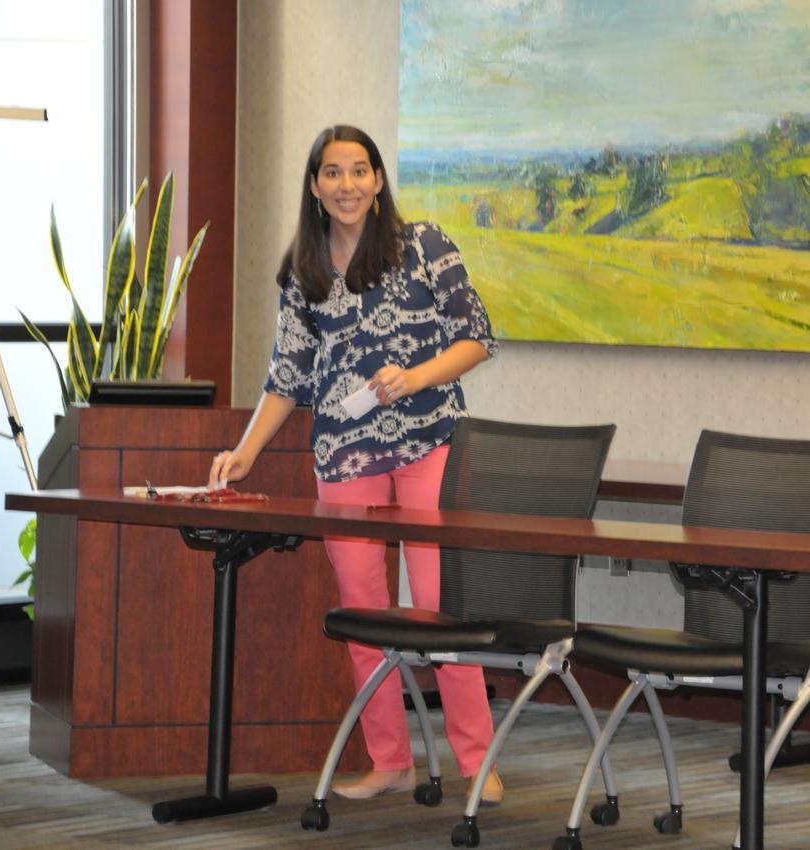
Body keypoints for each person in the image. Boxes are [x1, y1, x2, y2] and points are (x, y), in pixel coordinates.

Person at [208, 125, 501, 803]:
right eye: (333, 174)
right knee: (365, 613)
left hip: (431, 443)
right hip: (345, 455)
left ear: (377, 180)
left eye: (359, 171)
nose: (347, 185)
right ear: (315, 186)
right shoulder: (302, 273)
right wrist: (245, 453)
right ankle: (389, 759)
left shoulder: (424, 245)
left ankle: (474, 761)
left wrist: (419, 376)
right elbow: (286, 376)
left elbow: (478, 338)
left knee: (439, 608)